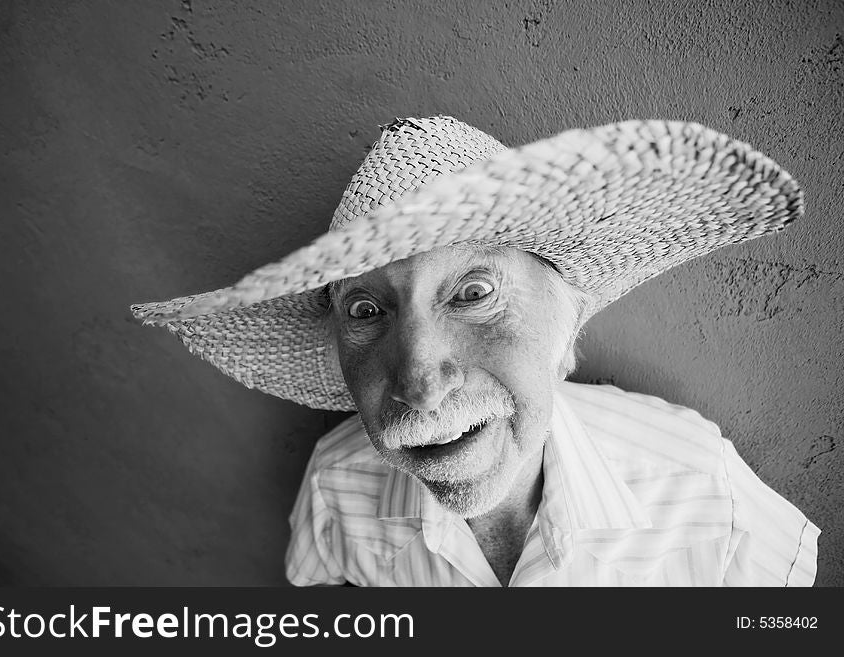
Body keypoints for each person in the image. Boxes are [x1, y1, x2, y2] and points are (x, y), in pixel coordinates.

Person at [132, 116, 820, 586]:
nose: (420, 384)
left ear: (566, 318)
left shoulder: (703, 491)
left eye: (472, 291)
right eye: (365, 311)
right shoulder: (337, 487)